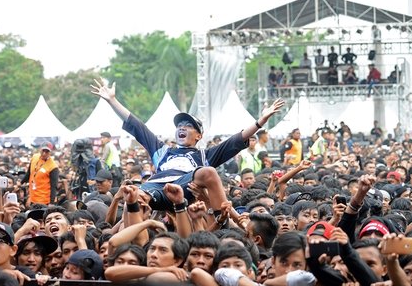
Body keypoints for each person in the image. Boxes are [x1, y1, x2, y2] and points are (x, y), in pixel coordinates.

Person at [90, 79, 284, 218]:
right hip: (156, 188)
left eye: (188, 125)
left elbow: (235, 140)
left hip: (184, 188)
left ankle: (221, 222)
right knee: (135, 195)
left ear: (199, 136)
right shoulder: (161, 150)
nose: (182, 127)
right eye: (179, 125)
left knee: (207, 172)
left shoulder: (204, 155)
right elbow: (137, 125)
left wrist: (260, 121)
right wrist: (112, 101)